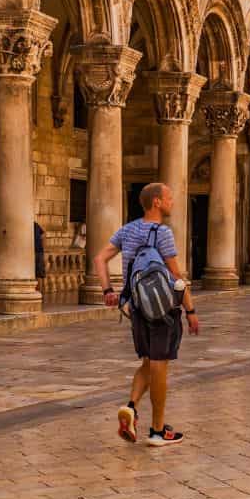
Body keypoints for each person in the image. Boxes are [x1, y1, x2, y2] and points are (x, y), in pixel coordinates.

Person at [97, 182, 200, 447]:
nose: (172, 202)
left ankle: (131, 408)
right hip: (163, 308)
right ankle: (157, 431)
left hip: (137, 307)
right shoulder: (162, 233)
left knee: (147, 361)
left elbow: (100, 259)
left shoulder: (127, 230)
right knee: (159, 365)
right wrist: (190, 310)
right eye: (168, 198)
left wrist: (108, 290)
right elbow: (176, 276)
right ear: (156, 201)